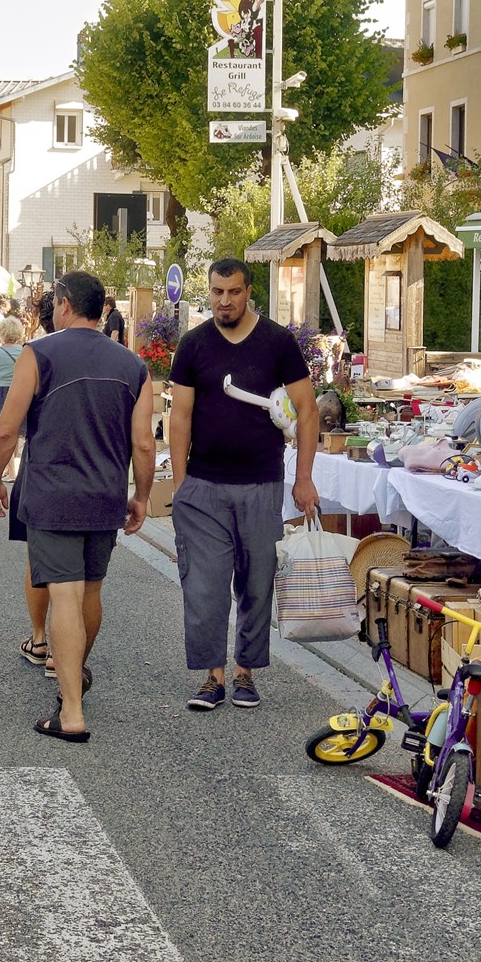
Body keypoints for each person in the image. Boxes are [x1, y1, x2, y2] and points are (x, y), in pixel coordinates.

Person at [0, 271, 152, 743]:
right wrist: (140, 495)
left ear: (62, 305)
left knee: (64, 593)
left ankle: (72, 710)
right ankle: (75, 674)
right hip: (104, 492)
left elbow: (4, 429)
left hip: (53, 490)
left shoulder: (39, 354)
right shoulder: (132, 365)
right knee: (90, 590)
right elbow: (143, 442)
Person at [166, 258, 318, 711]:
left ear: (249, 291)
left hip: (262, 483)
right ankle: (212, 677)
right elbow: (180, 416)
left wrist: (304, 477)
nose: (224, 301)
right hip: (204, 485)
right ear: (208, 291)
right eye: (216, 292)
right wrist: (179, 484)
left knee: (256, 584)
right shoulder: (193, 345)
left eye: (233, 292)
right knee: (206, 584)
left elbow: (307, 410)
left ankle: (245, 672)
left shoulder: (277, 342)